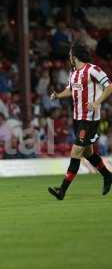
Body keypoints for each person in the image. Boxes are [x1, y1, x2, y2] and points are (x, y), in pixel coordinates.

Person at [48, 43, 112, 200]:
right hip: (78, 119)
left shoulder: (93, 70)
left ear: (75, 56)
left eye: (70, 55)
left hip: (89, 119)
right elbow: (70, 90)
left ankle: (62, 190)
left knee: (76, 151)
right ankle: (108, 176)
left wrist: (97, 102)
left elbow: (109, 86)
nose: (69, 57)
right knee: (88, 153)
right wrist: (57, 95)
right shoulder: (73, 73)